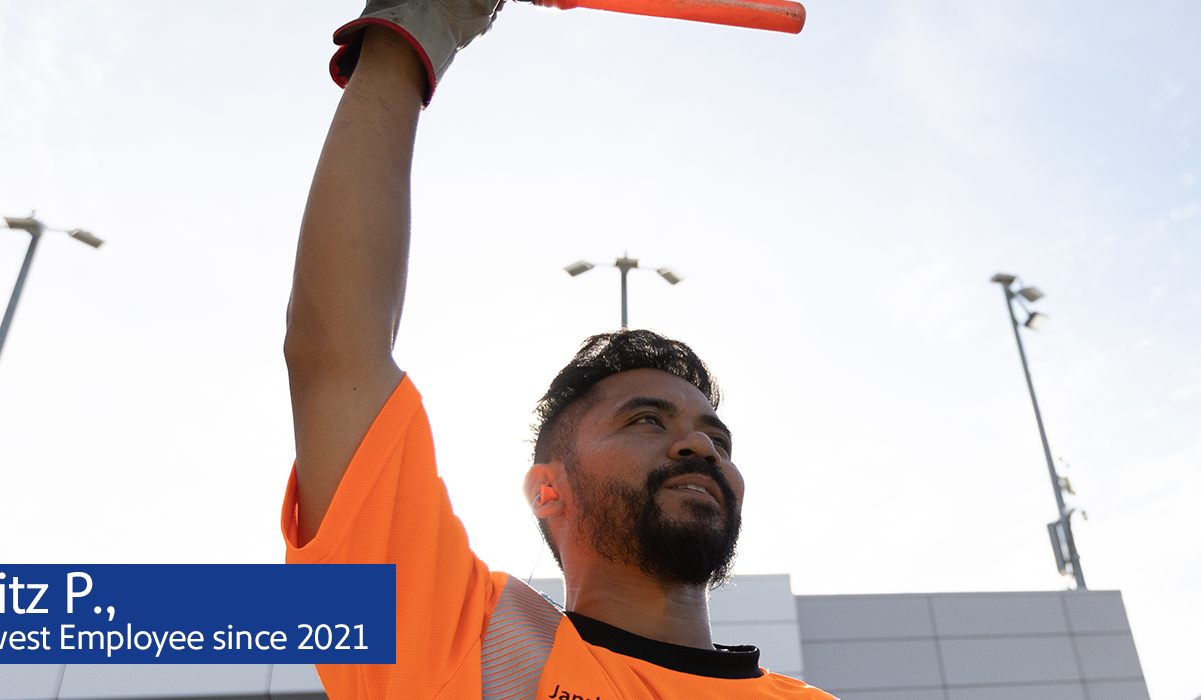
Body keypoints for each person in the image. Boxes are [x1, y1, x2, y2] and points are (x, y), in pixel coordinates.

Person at [280, 1, 835, 698]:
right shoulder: (471, 651)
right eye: (647, 420)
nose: (703, 450)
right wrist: (416, 31)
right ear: (548, 490)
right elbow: (335, 355)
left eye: (715, 437)